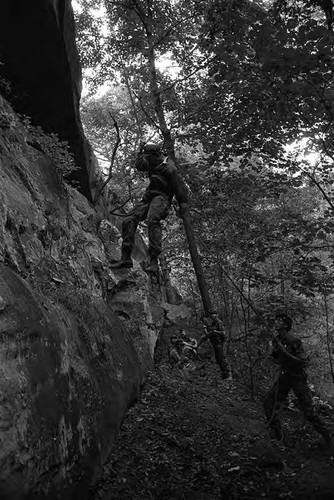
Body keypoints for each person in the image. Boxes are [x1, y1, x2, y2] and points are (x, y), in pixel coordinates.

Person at [110, 143, 188, 272]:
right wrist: (140, 150)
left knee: (153, 219)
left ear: (155, 155)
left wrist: (183, 206)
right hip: (149, 196)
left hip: (162, 198)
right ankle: (125, 258)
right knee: (129, 219)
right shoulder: (152, 161)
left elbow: (180, 188)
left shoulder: (170, 167)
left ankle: (153, 261)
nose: (146, 159)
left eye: (148, 156)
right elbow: (139, 165)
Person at [263, 313, 332, 447]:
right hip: (285, 377)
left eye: (279, 321)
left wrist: (284, 352)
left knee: (308, 411)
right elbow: (276, 358)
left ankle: (327, 436)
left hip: (297, 377)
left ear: (286, 325)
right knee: (268, 402)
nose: (276, 322)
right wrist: (274, 354)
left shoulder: (294, 341)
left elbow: (302, 362)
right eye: (276, 320)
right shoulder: (277, 340)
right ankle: (278, 434)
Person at [198, 311, 232, 380]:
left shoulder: (219, 322)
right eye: (211, 315)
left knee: (222, 358)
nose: (212, 316)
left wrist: (216, 331)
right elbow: (208, 334)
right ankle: (224, 374)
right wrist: (205, 328)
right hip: (215, 343)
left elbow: (223, 332)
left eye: (214, 314)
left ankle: (228, 374)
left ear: (216, 314)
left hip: (220, 342)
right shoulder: (213, 324)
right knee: (218, 359)